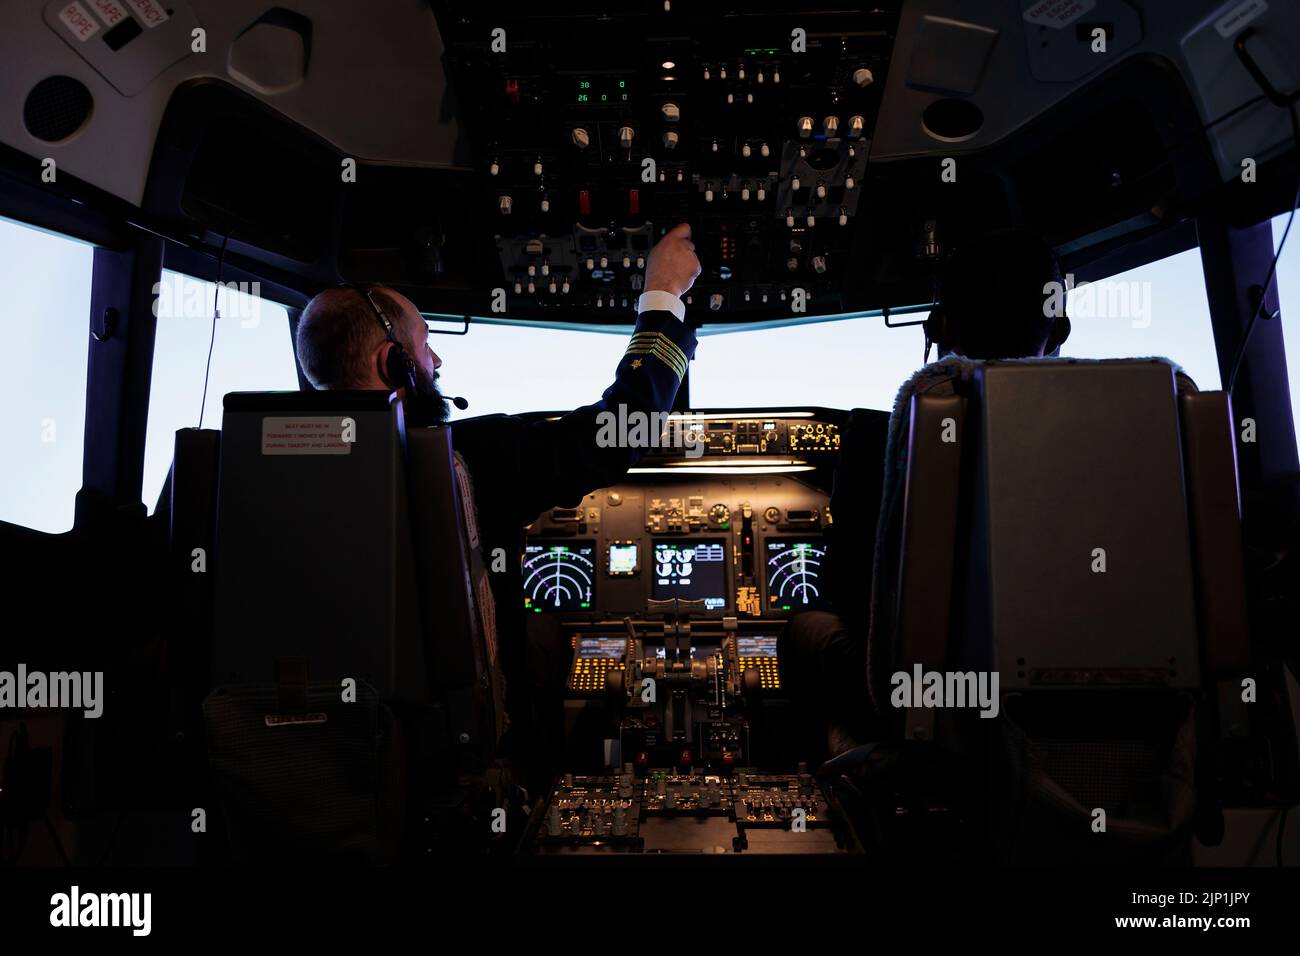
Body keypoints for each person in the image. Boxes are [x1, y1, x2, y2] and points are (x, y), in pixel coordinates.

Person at [293, 223, 702, 784]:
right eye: (426, 343)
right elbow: (622, 428)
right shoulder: (463, 464)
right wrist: (663, 295)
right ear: (393, 365)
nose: (437, 362)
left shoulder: (254, 482)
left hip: (316, 766)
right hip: (459, 768)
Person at [782, 229, 1073, 758]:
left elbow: (854, 599)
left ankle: (822, 790)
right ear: (1061, 330)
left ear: (938, 327)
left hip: (923, 705)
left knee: (806, 625)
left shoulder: (891, 441)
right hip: (1073, 704)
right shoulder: (1127, 430)